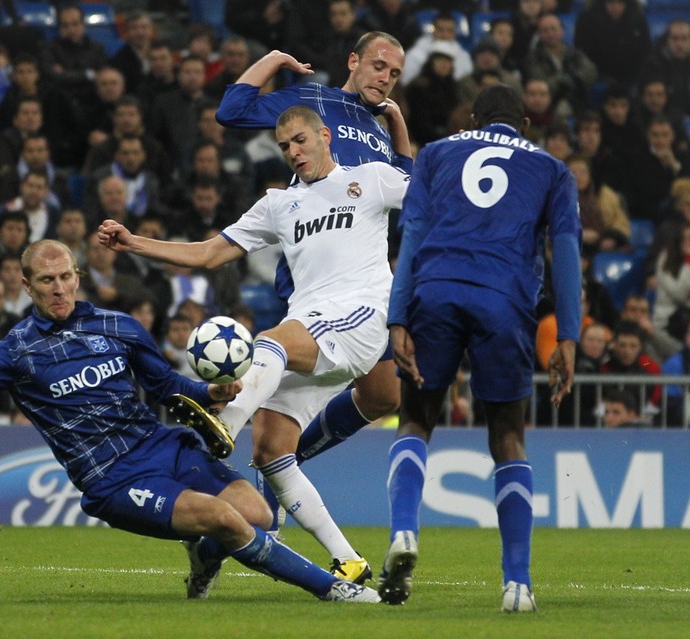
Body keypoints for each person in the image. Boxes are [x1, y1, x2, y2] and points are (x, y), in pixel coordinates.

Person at [0, 239, 381, 604]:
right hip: (113, 478)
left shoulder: (118, 325)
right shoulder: (14, 351)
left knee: (257, 514)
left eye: (66, 277)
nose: (59, 288)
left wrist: (209, 392)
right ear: (26, 285)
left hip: (163, 447)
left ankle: (203, 557)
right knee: (225, 520)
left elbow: (164, 386)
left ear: (77, 276)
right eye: (47, 281)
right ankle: (333, 587)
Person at [99, 104, 409, 584]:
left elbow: (428, 198)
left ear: (325, 135)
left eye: (301, 141)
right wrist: (134, 243)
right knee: (270, 450)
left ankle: (224, 421)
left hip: (362, 317)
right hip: (310, 327)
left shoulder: (369, 178)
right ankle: (348, 559)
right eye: (285, 147)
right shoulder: (278, 205)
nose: (294, 152)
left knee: (268, 341)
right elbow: (207, 253)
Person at [382, 84, 581, 611]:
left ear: (471, 119)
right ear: (526, 124)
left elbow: (413, 235)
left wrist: (397, 315)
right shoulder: (552, 169)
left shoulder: (437, 153)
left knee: (416, 419)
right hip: (504, 300)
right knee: (508, 436)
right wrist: (568, 335)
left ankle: (404, 530)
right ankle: (517, 583)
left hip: (435, 289)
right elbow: (565, 251)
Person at [215, 31, 411, 529]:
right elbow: (233, 110)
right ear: (354, 61)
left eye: (394, 73)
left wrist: (399, 125)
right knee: (304, 391)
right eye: (379, 65)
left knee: (385, 396)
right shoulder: (314, 100)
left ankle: (287, 456)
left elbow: (409, 191)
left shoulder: (380, 128)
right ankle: (265, 459)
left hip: (365, 278)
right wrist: (275, 58)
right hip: (315, 272)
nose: (385, 77)